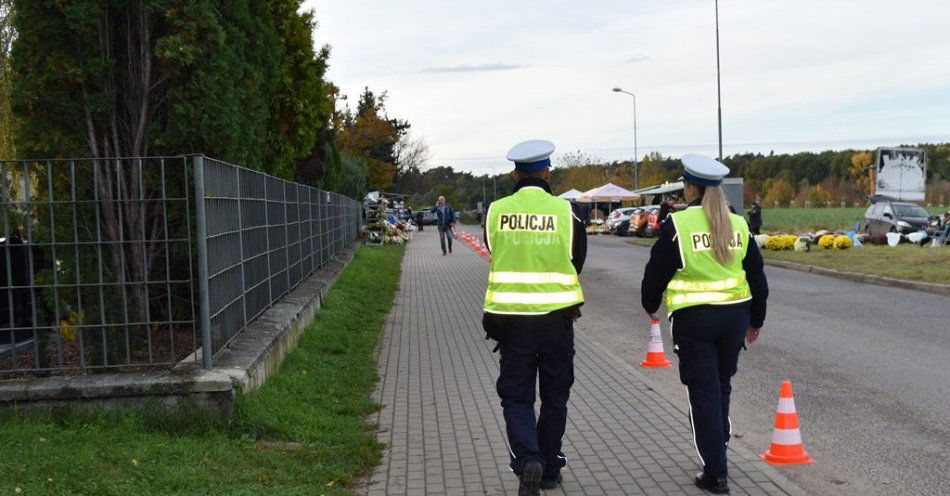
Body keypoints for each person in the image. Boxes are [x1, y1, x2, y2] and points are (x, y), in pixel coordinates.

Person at [640, 154, 769, 494]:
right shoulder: (738, 223)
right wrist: (756, 319)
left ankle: (715, 472)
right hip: (734, 319)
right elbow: (756, 274)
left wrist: (650, 304)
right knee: (721, 386)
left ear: (691, 188)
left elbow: (656, 271)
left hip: (695, 321)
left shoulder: (679, 225)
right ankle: (719, 448)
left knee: (704, 394)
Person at [482, 139, 587, 496]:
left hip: (512, 323)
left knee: (517, 397)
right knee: (556, 397)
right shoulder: (565, 212)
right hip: (557, 320)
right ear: (546, 172)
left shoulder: (496, 211)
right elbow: (577, 262)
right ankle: (548, 468)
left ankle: (529, 458)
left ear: (515, 173)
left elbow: (496, 252)